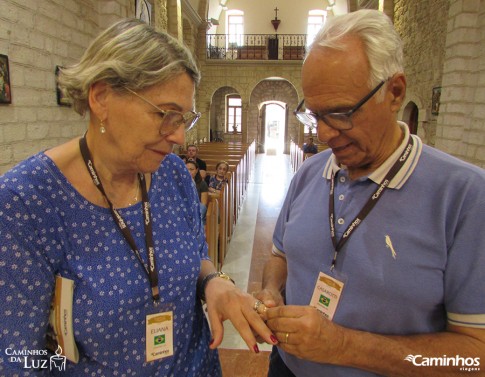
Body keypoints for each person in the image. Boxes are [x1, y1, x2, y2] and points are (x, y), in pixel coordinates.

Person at [0, 18, 277, 376]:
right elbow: (16, 356)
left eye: (185, 119)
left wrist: (214, 283)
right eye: (165, 115)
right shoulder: (26, 203)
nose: (178, 136)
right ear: (101, 98)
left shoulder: (171, 174)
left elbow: (196, 256)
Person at [255, 9, 485, 377]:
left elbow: (472, 358)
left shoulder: (466, 197)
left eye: (342, 113)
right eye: (315, 115)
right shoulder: (310, 172)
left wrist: (344, 346)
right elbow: (280, 256)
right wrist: (271, 290)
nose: (325, 135)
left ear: (395, 92)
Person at [186, 159, 209, 224]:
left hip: (197, 208)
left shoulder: (202, 183)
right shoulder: (179, 183)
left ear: (196, 170)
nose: (189, 171)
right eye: (187, 169)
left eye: (191, 169)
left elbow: (203, 203)